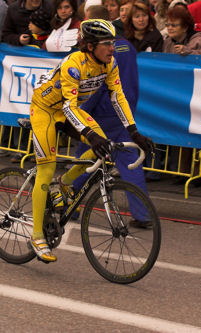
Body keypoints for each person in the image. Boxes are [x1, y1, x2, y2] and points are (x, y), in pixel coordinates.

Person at [28, 19, 153, 262]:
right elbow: (69, 106)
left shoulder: (109, 64)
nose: (112, 48)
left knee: (103, 147)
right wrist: (89, 134)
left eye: (113, 43)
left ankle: (63, 183)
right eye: (107, 44)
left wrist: (133, 131)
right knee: (46, 167)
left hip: (69, 110)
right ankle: (36, 235)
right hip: (45, 109)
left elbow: (118, 97)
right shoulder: (74, 64)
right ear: (90, 45)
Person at [72, 8, 152, 225]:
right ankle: (142, 214)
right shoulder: (128, 46)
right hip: (124, 110)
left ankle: (69, 203)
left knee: (85, 157)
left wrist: (84, 113)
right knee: (129, 161)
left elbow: (96, 86)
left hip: (103, 112)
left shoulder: (102, 48)